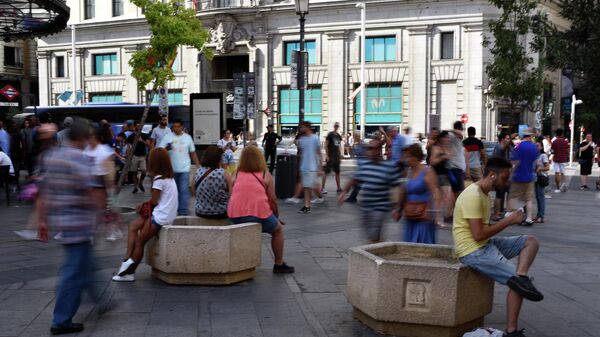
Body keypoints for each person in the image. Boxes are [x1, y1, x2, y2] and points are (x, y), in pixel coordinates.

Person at [453, 157, 543, 337]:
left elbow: (483, 233)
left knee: (531, 241)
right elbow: (478, 235)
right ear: (492, 175)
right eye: (505, 177)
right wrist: (508, 221)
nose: (507, 181)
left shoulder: (485, 194)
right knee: (517, 284)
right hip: (472, 251)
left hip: (485, 245)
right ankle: (511, 331)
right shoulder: (473, 195)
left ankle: (522, 277)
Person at [37, 118, 109, 335]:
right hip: (79, 224)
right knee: (73, 273)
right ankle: (61, 321)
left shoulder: (52, 157)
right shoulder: (79, 159)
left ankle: (101, 301)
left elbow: (45, 192)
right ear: (83, 138)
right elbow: (91, 191)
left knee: (84, 266)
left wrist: (43, 220)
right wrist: (102, 213)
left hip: (62, 222)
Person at [112, 148, 178, 282]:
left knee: (140, 242)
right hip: (165, 213)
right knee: (133, 225)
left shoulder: (159, 179)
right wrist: (144, 204)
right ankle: (126, 260)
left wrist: (143, 205)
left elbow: (154, 201)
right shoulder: (169, 177)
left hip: (160, 217)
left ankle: (129, 272)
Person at [227, 146, 295, 273]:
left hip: (235, 215)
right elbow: (273, 200)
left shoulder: (235, 174)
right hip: (260, 214)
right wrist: (276, 217)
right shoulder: (265, 175)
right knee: (278, 231)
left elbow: (232, 196)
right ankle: (278, 263)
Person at [338, 138, 403, 242]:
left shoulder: (389, 166)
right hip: (366, 207)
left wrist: (397, 208)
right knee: (370, 235)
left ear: (380, 150)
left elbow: (396, 188)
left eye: (375, 148)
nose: (372, 151)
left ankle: (376, 251)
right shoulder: (364, 165)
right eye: (370, 148)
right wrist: (344, 192)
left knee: (374, 233)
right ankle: (381, 245)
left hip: (380, 208)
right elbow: (354, 179)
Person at [396, 144, 439, 243]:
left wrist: (433, 212)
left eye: (408, 156)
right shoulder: (409, 172)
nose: (406, 160)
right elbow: (404, 191)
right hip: (411, 215)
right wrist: (399, 209)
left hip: (424, 215)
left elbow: (435, 193)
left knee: (422, 244)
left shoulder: (427, 171)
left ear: (416, 157)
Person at [158, 119, 199, 216]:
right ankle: (172, 209)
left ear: (182, 127)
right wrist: (166, 148)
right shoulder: (167, 137)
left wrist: (198, 165)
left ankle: (183, 210)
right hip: (171, 169)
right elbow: (159, 150)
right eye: (174, 126)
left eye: (178, 126)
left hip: (184, 168)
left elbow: (192, 152)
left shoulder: (188, 137)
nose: (175, 128)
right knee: (172, 191)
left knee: (184, 189)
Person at [508, 128, 538, 227]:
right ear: (530, 136)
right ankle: (529, 219)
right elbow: (535, 162)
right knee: (528, 198)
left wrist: (511, 174)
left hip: (518, 176)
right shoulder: (534, 147)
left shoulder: (518, 147)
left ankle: (513, 215)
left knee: (513, 196)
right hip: (529, 176)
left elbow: (514, 162)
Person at [194, 146, 231, 219]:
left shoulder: (198, 172)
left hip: (201, 212)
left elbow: (193, 190)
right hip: (221, 212)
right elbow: (231, 194)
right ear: (218, 159)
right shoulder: (224, 174)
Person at [296, 121, 323, 214]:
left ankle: (307, 205)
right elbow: (301, 153)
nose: (301, 129)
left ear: (307, 127)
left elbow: (319, 152)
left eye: (302, 127)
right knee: (307, 186)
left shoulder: (315, 138)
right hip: (304, 166)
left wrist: (320, 166)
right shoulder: (302, 139)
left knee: (308, 187)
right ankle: (310, 204)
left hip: (312, 166)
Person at [427, 130, 452, 226]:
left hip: (445, 174)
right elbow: (432, 161)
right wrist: (443, 157)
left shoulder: (446, 147)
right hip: (436, 174)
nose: (448, 139)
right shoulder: (436, 148)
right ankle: (436, 219)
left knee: (446, 198)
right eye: (446, 137)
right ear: (441, 138)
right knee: (438, 199)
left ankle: (438, 218)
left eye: (448, 138)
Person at [446, 121, 466, 221]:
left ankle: (452, 213)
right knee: (456, 193)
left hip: (457, 168)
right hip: (455, 168)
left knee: (455, 192)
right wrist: (452, 130)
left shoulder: (454, 136)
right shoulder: (451, 135)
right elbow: (460, 135)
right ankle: (452, 213)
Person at [491, 132, 512, 221]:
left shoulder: (499, 147)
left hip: (501, 173)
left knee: (503, 192)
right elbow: (504, 148)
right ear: (502, 139)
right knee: (499, 194)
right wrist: (511, 138)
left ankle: (500, 211)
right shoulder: (500, 147)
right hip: (500, 174)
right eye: (507, 138)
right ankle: (496, 214)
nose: (508, 140)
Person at [127, 122, 150, 194]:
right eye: (137, 126)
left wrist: (142, 140)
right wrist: (128, 156)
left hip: (142, 156)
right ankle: (135, 187)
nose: (138, 127)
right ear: (134, 126)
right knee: (134, 172)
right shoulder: (131, 136)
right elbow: (128, 146)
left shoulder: (144, 135)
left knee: (144, 170)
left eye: (139, 126)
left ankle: (140, 182)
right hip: (134, 156)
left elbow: (149, 145)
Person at [321, 122, 342, 194]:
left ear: (338, 127)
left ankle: (338, 188)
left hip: (336, 157)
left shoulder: (339, 136)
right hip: (331, 156)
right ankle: (322, 188)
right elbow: (326, 145)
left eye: (337, 126)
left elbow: (339, 146)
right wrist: (327, 155)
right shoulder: (330, 134)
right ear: (334, 126)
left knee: (337, 172)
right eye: (335, 126)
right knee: (326, 172)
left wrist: (340, 155)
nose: (336, 127)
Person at [534, 137, 549, 224]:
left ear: (541, 147)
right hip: (535, 178)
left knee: (541, 197)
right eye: (535, 146)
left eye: (537, 146)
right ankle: (538, 215)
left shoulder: (543, 155)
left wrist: (540, 169)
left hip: (541, 178)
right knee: (537, 197)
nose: (536, 147)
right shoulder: (535, 156)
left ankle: (541, 216)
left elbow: (547, 167)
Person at [551, 128, 569, 193]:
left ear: (556, 134)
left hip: (556, 158)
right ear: (562, 134)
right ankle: (563, 184)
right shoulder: (565, 141)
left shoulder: (554, 142)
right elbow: (567, 150)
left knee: (557, 173)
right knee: (562, 173)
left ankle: (558, 188)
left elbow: (552, 151)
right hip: (563, 159)